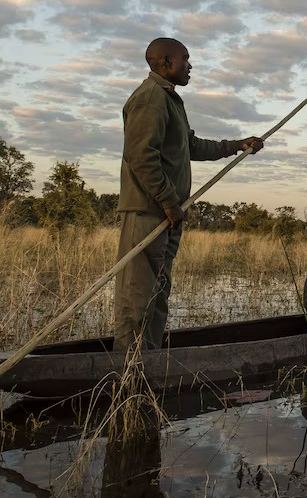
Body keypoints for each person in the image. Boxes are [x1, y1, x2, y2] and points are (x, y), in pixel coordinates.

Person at [113, 37, 264, 353]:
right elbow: (140, 156)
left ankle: (148, 363)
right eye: (186, 59)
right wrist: (168, 201)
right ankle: (128, 371)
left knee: (157, 293)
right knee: (137, 296)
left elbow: (192, 146)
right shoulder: (150, 98)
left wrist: (236, 146)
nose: (190, 65)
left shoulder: (170, 100)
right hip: (147, 213)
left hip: (167, 215)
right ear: (166, 62)